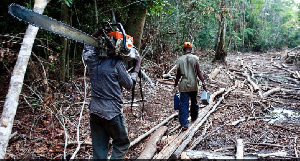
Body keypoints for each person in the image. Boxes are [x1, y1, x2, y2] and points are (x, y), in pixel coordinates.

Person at [82, 30, 141, 159]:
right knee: (121, 143)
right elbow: (129, 85)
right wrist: (137, 66)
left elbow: (86, 46)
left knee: (99, 147)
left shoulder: (92, 60)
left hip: (95, 111)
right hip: (112, 113)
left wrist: (98, 33)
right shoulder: (117, 64)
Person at [174, 42, 207, 131]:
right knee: (194, 101)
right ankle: (194, 117)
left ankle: (184, 124)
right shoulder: (195, 58)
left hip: (184, 85)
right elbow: (199, 72)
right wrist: (203, 83)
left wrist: (175, 84)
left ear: (183, 49)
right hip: (193, 84)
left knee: (183, 104)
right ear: (191, 49)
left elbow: (178, 75)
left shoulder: (180, 60)